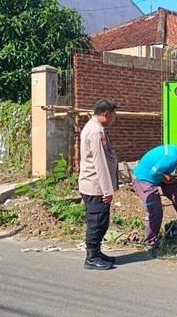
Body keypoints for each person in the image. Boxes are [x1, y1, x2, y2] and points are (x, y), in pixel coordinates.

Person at [132, 140, 177, 244]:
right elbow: (153, 172)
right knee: (155, 209)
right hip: (143, 179)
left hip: (155, 177)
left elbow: (160, 169)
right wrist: (165, 178)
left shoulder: (175, 151)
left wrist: (167, 177)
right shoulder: (172, 157)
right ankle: (150, 241)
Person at [78, 98, 119, 270]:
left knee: (101, 221)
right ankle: (91, 257)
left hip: (96, 186)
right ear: (106, 114)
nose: (114, 118)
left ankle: (97, 252)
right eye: (114, 115)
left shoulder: (97, 128)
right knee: (96, 222)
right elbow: (100, 162)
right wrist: (107, 190)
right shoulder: (95, 132)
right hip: (95, 187)